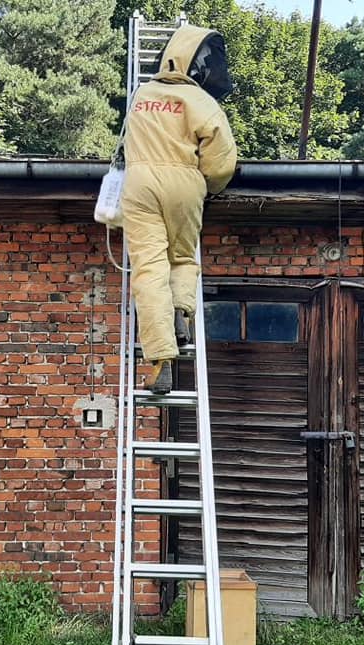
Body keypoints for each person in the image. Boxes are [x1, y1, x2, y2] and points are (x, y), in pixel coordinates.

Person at [121, 24, 237, 394]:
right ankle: (180, 315)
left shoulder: (141, 95)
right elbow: (221, 163)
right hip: (186, 184)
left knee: (148, 271)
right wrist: (207, 187)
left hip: (139, 184)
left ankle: (159, 363)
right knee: (183, 260)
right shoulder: (202, 101)